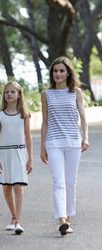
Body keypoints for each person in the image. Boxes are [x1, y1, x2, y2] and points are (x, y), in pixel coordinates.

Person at [40, 56, 89, 235]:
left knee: (70, 182)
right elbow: (45, 122)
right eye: (55, 71)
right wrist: (42, 147)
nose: (58, 74)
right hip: (53, 142)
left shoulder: (75, 92)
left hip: (73, 142)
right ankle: (62, 219)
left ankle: (69, 216)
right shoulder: (46, 93)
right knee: (58, 182)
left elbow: (83, 117)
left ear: (68, 73)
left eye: (61, 71)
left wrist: (86, 137)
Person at [0, 81, 33, 235]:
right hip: (4, 153)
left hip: (19, 153)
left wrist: (30, 159)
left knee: (18, 186)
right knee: (6, 186)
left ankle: (18, 221)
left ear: (19, 95)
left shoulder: (25, 115)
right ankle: (13, 216)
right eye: (6, 92)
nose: (9, 94)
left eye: (12, 92)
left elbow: (28, 138)